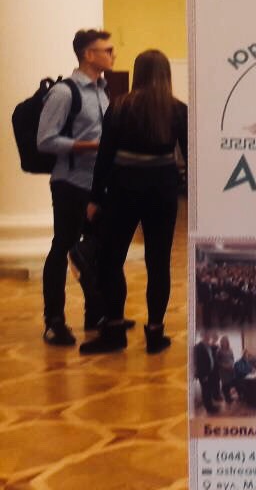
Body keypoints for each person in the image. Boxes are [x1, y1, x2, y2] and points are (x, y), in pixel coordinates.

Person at [79, 49, 188, 354]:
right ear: (166, 74)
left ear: (137, 73)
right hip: (163, 192)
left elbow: (104, 157)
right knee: (158, 263)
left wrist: (94, 197)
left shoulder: (120, 106)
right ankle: (155, 333)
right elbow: (191, 155)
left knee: (111, 261)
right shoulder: (178, 110)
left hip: (123, 190)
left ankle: (114, 331)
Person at [36, 28, 113, 346]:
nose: (113, 55)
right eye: (107, 50)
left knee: (96, 249)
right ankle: (54, 320)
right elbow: (45, 140)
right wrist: (88, 146)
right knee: (62, 247)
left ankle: (95, 313)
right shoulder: (65, 92)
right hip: (70, 183)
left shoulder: (102, 91)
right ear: (88, 54)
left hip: (97, 185)